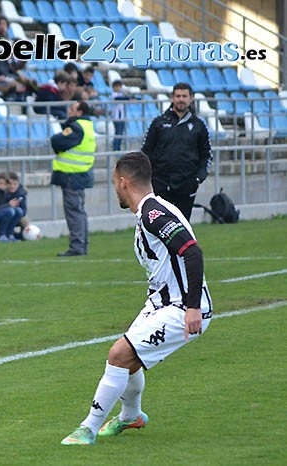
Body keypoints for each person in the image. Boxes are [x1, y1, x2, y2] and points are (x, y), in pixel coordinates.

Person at [61, 151, 213, 446]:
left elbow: (192, 252)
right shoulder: (150, 211)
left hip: (182, 307)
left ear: (124, 181)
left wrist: (193, 307)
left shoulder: (153, 214)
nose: (114, 189)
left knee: (118, 355)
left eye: (114, 183)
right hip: (161, 303)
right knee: (127, 361)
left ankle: (87, 429)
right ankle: (131, 416)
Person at [141, 82, 212, 221]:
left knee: (183, 227)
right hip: (160, 184)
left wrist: (198, 178)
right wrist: (148, 179)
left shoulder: (199, 125)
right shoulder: (159, 123)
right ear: (172, 98)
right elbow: (145, 153)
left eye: (184, 96)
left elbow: (207, 154)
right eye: (178, 96)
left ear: (191, 98)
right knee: (159, 226)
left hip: (187, 184)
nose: (181, 99)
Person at [50, 100, 95, 256]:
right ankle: (81, 244)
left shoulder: (76, 127)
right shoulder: (88, 126)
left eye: (72, 109)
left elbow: (56, 141)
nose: (69, 111)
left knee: (74, 212)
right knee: (79, 211)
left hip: (72, 175)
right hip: (80, 174)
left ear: (80, 113)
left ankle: (77, 246)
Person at [111, 80, 127, 152]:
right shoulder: (113, 94)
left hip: (122, 116)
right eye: (117, 86)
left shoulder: (121, 94)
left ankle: (118, 149)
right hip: (116, 117)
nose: (119, 88)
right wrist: (128, 98)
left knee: (121, 133)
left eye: (120, 86)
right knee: (118, 133)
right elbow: (117, 99)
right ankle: (115, 149)